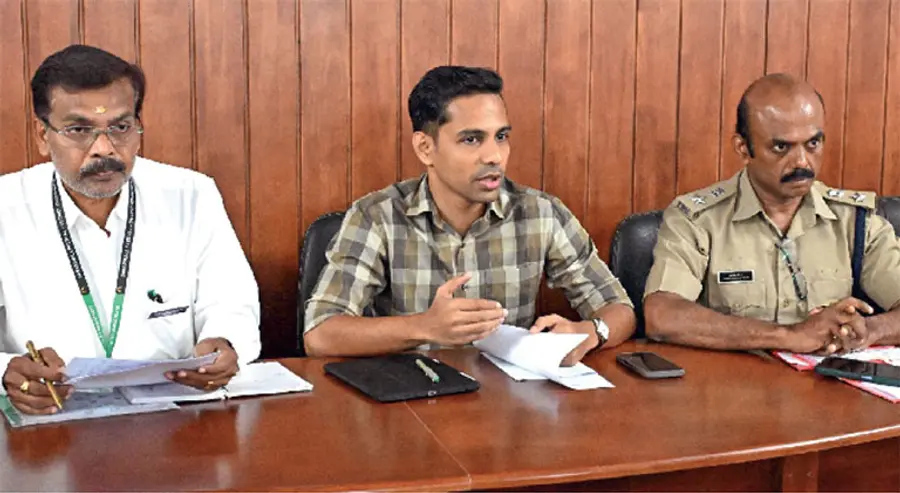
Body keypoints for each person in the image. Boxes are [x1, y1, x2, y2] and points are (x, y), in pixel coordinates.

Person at [304, 66, 635, 362]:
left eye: (501, 137)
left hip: (509, 405)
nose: (494, 156)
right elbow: (321, 333)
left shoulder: (540, 214)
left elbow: (619, 308)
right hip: (409, 404)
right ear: (425, 148)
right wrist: (424, 328)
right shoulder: (377, 217)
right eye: (472, 139)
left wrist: (591, 332)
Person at [0, 45, 260, 414]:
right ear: (43, 135)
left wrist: (223, 344)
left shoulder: (190, 194)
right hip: (51, 425)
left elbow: (231, 299)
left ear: (139, 126)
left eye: (120, 127)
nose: (104, 149)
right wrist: (6, 371)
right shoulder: (6, 207)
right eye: (79, 130)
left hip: (176, 420)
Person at [644, 73, 900, 354]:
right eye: (781, 147)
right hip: (733, 390)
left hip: (829, 389)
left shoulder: (855, 221)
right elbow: (662, 315)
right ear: (743, 148)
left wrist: (868, 331)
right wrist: (788, 336)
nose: (802, 161)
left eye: (813, 144)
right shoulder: (698, 219)